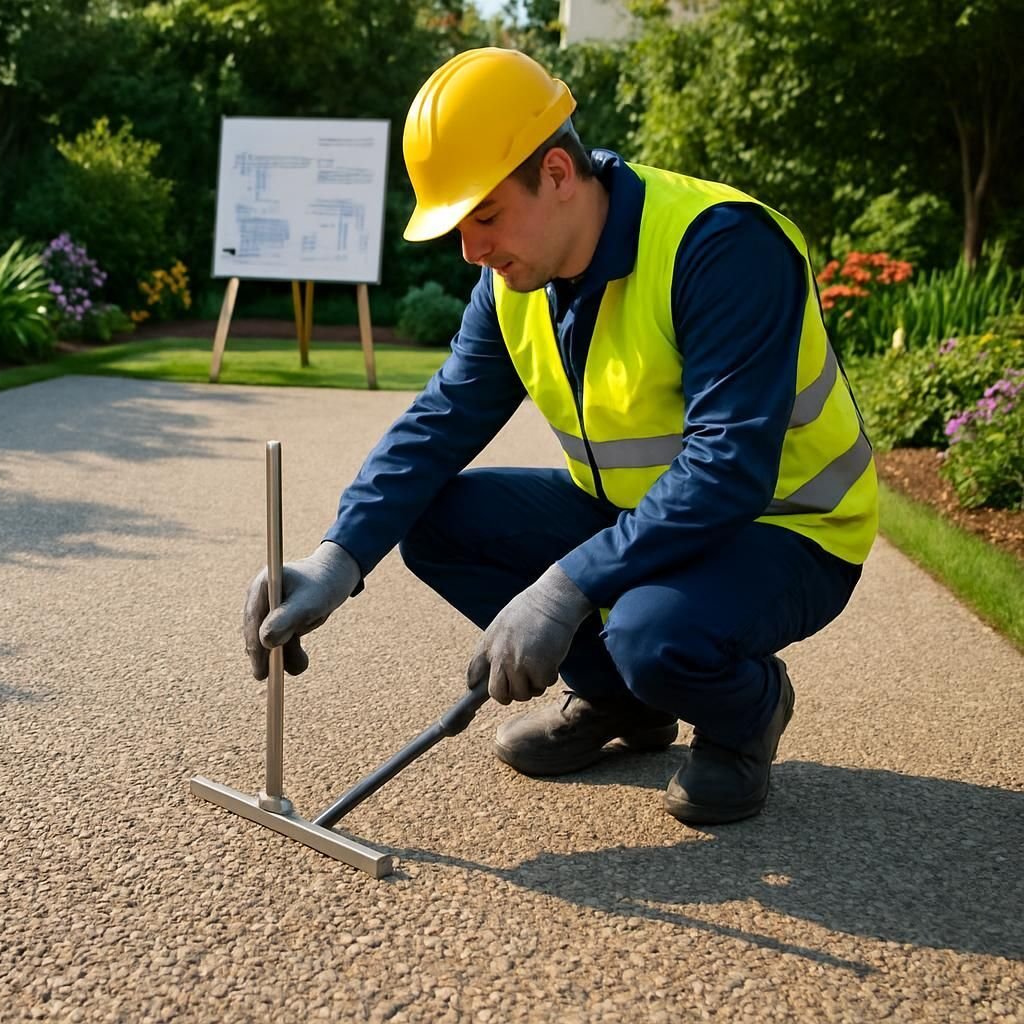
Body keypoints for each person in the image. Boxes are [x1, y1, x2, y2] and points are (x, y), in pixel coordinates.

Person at [241, 48, 876, 825]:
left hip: (787, 526)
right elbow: (442, 421)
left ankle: (748, 713)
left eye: (485, 215)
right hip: (642, 516)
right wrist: (336, 557)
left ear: (557, 173)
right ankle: (622, 703)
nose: (471, 249)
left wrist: (566, 586)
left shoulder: (722, 247)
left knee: (652, 630)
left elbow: (729, 469)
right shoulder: (515, 280)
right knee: (437, 524)